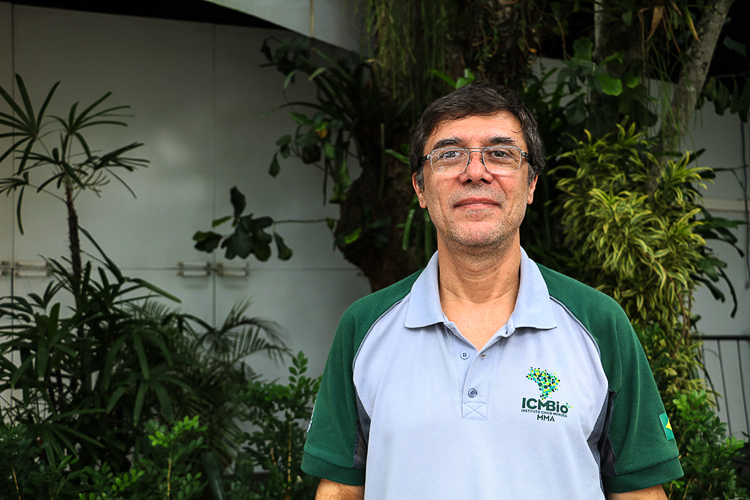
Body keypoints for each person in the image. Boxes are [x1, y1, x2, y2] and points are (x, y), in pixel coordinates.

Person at [301, 83, 683, 499]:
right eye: (450, 154)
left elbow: (640, 493)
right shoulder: (364, 328)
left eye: (500, 154)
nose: (475, 172)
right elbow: (339, 491)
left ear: (531, 184)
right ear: (421, 188)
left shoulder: (600, 323)